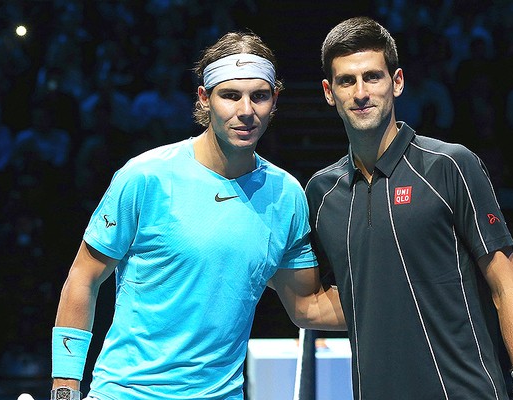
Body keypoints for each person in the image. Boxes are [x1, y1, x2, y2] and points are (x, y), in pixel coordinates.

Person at [49, 31, 345, 400]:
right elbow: (83, 277)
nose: (246, 111)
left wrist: (410, 301)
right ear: (205, 98)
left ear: (275, 99)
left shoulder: (286, 196)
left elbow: (308, 307)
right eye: (230, 95)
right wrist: (65, 388)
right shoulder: (146, 176)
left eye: (259, 95)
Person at [305, 17, 513, 399]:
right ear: (328, 92)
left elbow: (506, 283)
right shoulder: (321, 193)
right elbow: (345, 297)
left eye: (373, 77)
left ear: (397, 82)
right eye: (346, 81)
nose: (361, 92)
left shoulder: (450, 165)